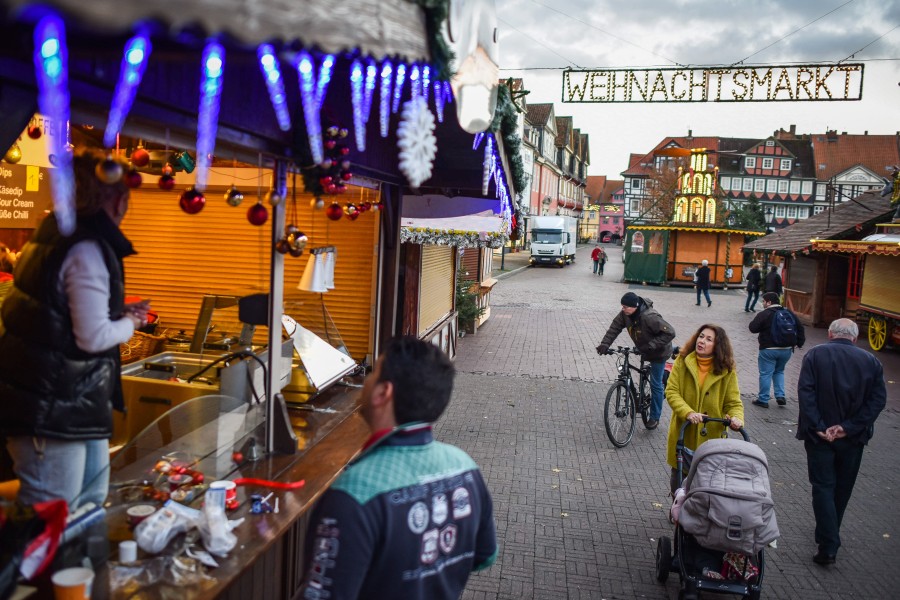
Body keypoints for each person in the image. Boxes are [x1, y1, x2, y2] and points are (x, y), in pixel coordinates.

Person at [0, 149, 150, 510]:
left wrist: (115, 311)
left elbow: (58, 312)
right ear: (112, 200)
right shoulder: (85, 247)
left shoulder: (55, 235)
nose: (125, 204)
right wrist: (130, 322)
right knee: (53, 513)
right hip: (53, 407)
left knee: (85, 507)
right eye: (123, 194)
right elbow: (94, 337)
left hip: (68, 401)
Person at [299, 337, 497, 599]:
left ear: (383, 393)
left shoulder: (353, 493)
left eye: (372, 374)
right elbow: (484, 556)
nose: (365, 381)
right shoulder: (465, 467)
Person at [796, 318, 886, 566]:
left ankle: (828, 542)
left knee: (823, 486)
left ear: (829, 333)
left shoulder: (815, 356)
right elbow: (877, 401)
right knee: (842, 488)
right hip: (853, 439)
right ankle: (829, 534)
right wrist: (847, 429)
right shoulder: (871, 362)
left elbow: (806, 393)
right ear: (855, 338)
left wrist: (820, 426)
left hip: (819, 436)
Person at [665, 324, 744, 493]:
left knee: (706, 482)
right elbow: (672, 391)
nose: (702, 341)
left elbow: (733, 402)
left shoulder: (726, 370)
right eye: (701, 336)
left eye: (709, 339)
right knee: (678, 478)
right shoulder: (683, 360)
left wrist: (736, 418)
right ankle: (677, 508)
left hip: (712, 437)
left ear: (718, 345)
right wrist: (688, 412)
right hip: (684, 433)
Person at [596, 292, 676, 430]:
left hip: (659, 352)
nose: (623, 309)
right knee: (640, 373)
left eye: (626, 306)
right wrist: (605, 344)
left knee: (655, 384)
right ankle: (636, 400)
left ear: (635, 306)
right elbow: (614, 328)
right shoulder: (625, 315)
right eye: (622, 306)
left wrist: (651, 345)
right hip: (644, 349)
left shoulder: (649, 317)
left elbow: (670, 332)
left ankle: (654, 417)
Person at [748, 292, 805, 408]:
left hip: (768, 349)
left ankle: (763, 399)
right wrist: (799, 343)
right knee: (779, 371)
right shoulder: (788, 313)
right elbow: (800, 327)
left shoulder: (765, 313)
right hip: (786, 350)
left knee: (765, 373)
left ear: (769, 302)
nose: (763, 303)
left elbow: (753, 328)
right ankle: (780, 396)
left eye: (764, 301)